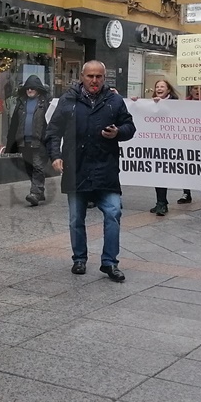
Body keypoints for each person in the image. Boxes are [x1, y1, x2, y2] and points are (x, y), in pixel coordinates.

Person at [44, 60, 135, 282]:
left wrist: (118, 132)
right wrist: (56, 156)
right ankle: (79, 259)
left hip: (106, 168)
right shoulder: (68, 100)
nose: (94, 81)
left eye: (99, 77)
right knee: (76, 218)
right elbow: (53, 131)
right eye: (90, 76)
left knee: (114, 213)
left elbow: (130, 127)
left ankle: (110, 263)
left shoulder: (114, 101)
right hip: (77, 168)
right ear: (82, 77)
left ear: (104, 78)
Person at [135, 80, 180, 216]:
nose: (159, 89)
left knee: (162, 173)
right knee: (157, 174)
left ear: (168, 90)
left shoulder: (176, 103)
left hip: (169, 144)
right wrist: (136, 102)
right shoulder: (151, 103)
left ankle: (162, 203)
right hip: (156, 143)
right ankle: (161, 202)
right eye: (157, 86)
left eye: (162, 87)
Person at [6, 75, 51, 206]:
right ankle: (39, 190)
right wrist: (11, 142)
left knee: (37, 166)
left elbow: (50, 122)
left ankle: (35, 192)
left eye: (32, 88)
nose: (29, 90)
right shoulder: (21, 103)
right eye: (27, 88)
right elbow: (14, 123)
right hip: (23, 140)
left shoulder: (45, 103)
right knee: (28, 166)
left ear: (38, 89)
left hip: (39, 141)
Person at [178, 85, 201, 208]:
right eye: (194, 88)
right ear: (190, 90)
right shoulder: (184, 103)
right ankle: (186, 193)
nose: (198, 91)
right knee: (186, 166)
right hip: (188, 139)